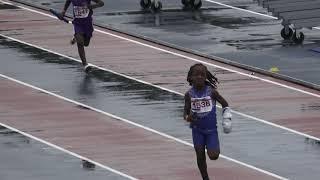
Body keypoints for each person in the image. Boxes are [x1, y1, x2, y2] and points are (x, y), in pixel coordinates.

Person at [184, 63, 232, 180]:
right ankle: (205, 178)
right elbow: (184, 113)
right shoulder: (189, 95)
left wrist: (227, 119)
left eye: (202, 75)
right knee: (200, 155)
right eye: (196, 75)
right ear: (191, 77)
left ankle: (211, 145)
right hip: (197, 130)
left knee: (214, 156)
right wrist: (188, 118)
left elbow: (225, 104)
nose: (199, 77)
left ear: (206, 77)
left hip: (211, 131)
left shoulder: (211, 92)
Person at [61, 0, 104, 72]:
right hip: (77, 23)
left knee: (86, 44)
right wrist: (64, 11)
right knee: (80, 43)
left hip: (88, 23)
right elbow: (68, 1)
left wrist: (90, 7)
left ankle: (76, 37)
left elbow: (101, 3)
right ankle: (85, 65)